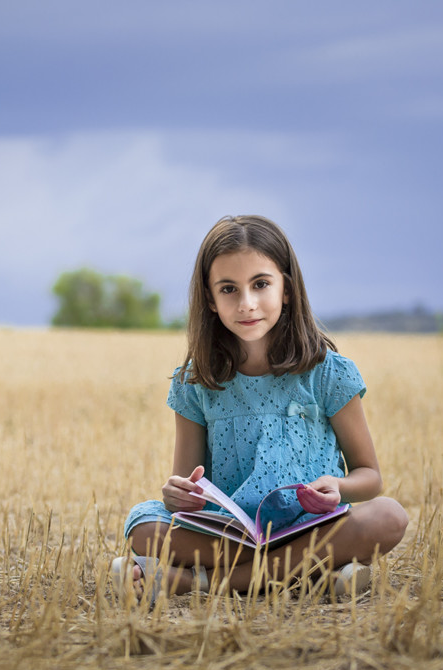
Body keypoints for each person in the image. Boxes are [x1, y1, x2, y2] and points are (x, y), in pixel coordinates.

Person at [112, 215, 408, 605]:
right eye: (228, 289)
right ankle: (312, 572)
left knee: (388, 516)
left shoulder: (329, 373)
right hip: (229, 534)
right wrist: (177, 496)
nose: (247, 304)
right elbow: (189, 485)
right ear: (210, 300)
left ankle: (194, 583)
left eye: (261, 284)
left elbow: (370, 477)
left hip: (311, 526)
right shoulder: (193, 382)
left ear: (287, 289)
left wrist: (339, 487)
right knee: (144, 526)